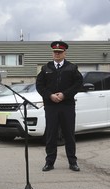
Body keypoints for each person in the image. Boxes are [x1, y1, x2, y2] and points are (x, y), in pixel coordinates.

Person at [36, 41, 83, 172]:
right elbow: (40, 86)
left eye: (59, 52)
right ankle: (49, 162)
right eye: (55, 52)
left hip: (67, 106)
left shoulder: (72, 68)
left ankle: (72, 162)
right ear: (52, 53)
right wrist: (50, 95)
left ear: (64, 53)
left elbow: (78, 83)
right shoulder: (46, 69)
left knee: (69, 134)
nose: (57, 54)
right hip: (51, 106)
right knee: (51, 134)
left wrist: (64, 95)